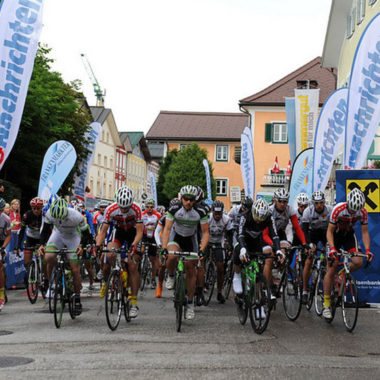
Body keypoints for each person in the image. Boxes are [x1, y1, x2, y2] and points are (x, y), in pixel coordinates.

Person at [160, 185, 209, 320]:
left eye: (191, 200)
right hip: (176, 237)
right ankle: (170, 275)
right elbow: (167, 230)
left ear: (195, 200)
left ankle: (190, 303)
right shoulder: (174, 209)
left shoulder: (201, 211)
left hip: (190, 239)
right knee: (171, 256)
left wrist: (201, 250)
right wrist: (164, 247)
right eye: (186, 199)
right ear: (181, 199)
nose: (188, 202)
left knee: (190, 270)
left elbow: (205, 233)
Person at [322, 188, 373, 320]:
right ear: (348, 203)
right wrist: (333, 248)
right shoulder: (338, 209)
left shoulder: (363, 211)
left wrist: (367, 250)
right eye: (352, 209)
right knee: (331, 268)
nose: (353, 212)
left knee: (358, 262)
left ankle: (342, 274)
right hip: (335, 235)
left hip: (349, 235)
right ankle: (326, 304)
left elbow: (365, 232)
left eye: (356, 210)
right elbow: (329, 231)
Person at [39, 197, 93, 316]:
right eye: (56, 218)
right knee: (48, 257)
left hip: (73, 237)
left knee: (75, 269)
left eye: (61, 217)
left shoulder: (76, 216)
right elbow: (45, 231)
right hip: (58, 235)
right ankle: (51, 282)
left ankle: (77, 298)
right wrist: (42, 245)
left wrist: (82, 246)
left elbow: (86, 233)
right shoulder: (49, 213)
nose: (59, 219)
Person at [96, 186, 143, 318]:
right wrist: (98, 245)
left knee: (133, 266)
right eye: (121, 207)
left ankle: (134, 302)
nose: (123, 210)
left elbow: (139, 232)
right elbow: (103, 231)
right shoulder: (111, 209)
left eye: (126, 207)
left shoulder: (136, 209)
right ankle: (114, 275)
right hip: (119, 232)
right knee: (110, 253)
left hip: (133, 233)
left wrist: (134, 245)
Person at [233, 198, 281, 296]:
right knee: (237, 249)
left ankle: (258, 296)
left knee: (259, 265)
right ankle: (237, 275)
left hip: (256, 240)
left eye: (261, 218)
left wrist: (279, 250)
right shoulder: (246, 215)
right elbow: (240, 235)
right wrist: (243, 248)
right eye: (257, 218)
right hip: (244, 238)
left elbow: (275, 235)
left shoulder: (269, 217)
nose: (259, 221)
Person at [268, 188, 307, 290]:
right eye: (280, 201)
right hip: (269, 234)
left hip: (280, 233)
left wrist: (304, 242)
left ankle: (280, 275)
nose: (283, 204)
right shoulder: (270, 210)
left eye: (285, 201)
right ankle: (271, 274)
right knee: (271, 255)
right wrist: (273, 244)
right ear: (275, 200)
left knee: (284, 251)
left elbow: (297, 228)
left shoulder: (290, 210)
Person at [301, 191, 332, 303]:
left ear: (324, 202)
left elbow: (333, 229)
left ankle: (328, 288)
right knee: (309, 259)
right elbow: (304, 231)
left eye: (321, 202)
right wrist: (309, 244)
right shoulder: (307, 211)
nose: (319, 205)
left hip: (325, 233)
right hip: (311, 234)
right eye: (317, 203)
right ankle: (304, 290)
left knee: (330, 258)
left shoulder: (330, 210)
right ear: (313, 203)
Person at [154, 198, 180, 298]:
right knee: (162, 266)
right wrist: (159, 244)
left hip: (176, 242)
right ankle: (159, 285)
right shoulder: (165, 217)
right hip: (165, 242)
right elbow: (157, 231)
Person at [16, 197, 45, 286]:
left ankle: (43, 276)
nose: (36, 210)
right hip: (30, 238)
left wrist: (43, 244)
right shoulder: (27, 215)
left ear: (42, 208)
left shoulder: (44, 215)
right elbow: (22, 231)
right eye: (34, 208)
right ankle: (31, 272)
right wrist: (18, 246)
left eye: (38, 208)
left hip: (41, 238)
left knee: (43, 262)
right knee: (26, 262)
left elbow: (47, 231)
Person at [206, 200, 230, 304]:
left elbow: (230, 232)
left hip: (219, 243)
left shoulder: (226, 219)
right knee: (201, 263)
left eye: (219, 214)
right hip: (207, 241)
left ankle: (219, 292)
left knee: (221, 268)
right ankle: (200, 287)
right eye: (215, 213)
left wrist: (228, 244)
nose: (217, 216)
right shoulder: (208, 219)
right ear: (212, 212)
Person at [141, 198, 161, 289]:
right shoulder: (142, 215)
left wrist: (159, 242)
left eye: (151, 207)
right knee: (140, 252)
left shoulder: (157, 215)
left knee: (153, 259)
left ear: (153, 207)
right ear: (145, 206)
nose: (149, 208)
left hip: (153, 236)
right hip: (144, 235)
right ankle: (140, 269)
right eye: (147, 207)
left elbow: (160, 228)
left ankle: (153, 278)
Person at [0, 198, 11, 311]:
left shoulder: (6, 219)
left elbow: (8, 235)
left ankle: (1, 293)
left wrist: (3, 248)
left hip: (1, 243)